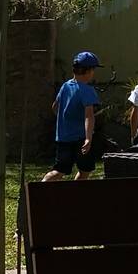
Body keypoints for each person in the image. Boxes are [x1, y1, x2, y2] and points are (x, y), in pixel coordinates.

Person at [45, 52, 100, 182]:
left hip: (63, 138)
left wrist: (64, 121)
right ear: (88, 71)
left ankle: (41, 187)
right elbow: (89, 116)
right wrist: (88, 138)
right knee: (85, 170)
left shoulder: (65, 86)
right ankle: (76, 192)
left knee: (59, 170)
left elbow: (55, 107)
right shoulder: (87, 90)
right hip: (81, 138)